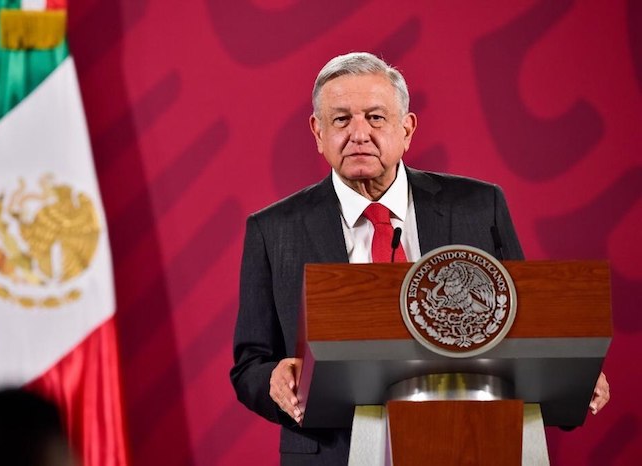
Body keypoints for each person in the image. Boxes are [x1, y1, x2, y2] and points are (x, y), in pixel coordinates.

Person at [230, 52, 610, 465]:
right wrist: (274, 380)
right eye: (341, 120)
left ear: (406, 129)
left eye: (376, 117)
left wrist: (571, 375)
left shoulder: (479, 207)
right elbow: (250, 363)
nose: (359, 134)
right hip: (334, 450)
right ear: (317, 132)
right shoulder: (274, 230)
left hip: (473, 441)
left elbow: (523, 325)